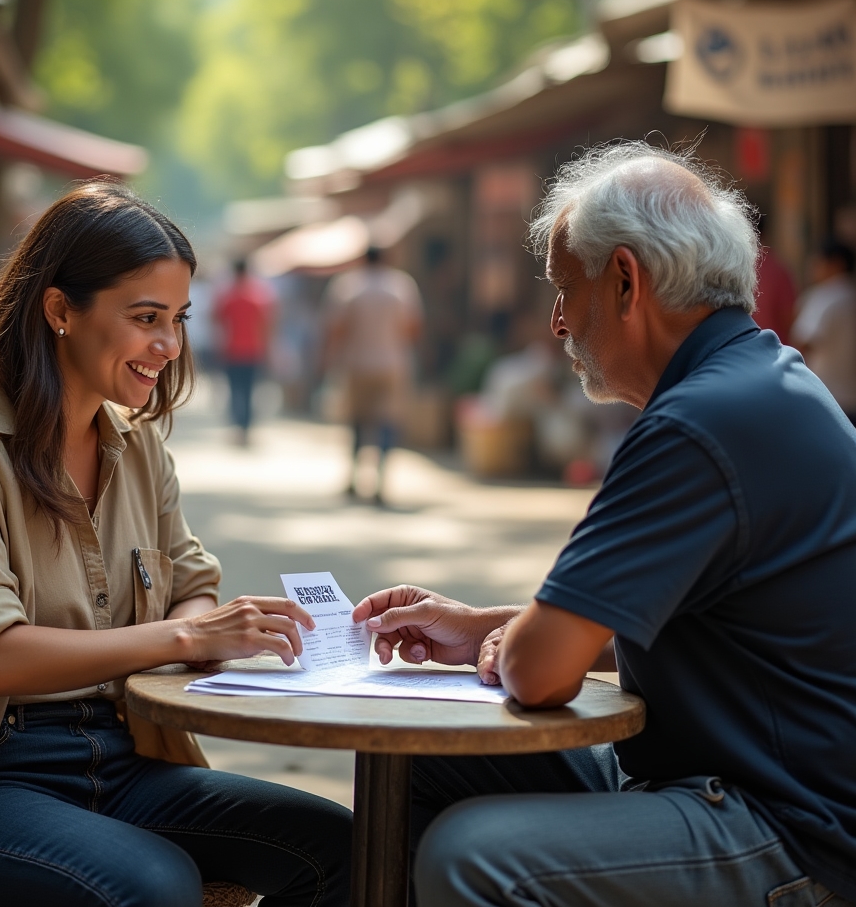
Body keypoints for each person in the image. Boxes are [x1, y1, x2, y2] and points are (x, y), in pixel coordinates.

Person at [351, 143, 856, 907]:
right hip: (723, 780)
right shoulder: (762, 380)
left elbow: (538, 671)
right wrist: (487, 623)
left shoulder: (697, 424)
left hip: (786, 826)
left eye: (564, 288)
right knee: (417, 764)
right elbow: (680, 631)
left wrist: (513, 642)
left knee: (473, 857)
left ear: (625, 280)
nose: (556, 321)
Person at [0, 182, 351, 907]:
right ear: (59, 310)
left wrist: (211, 632)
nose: (168, 346)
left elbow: (189, 581)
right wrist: (184, 632)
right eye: (146, 318)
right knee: (156, 883)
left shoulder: (136, 445)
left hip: (125, 756)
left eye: (177, 319)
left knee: (339, 846)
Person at [323, 246, 422, 504]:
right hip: (392, 364)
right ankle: (380, 481)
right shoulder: (400, 285)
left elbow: (337, 328)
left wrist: (330, 360)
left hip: (357, 362)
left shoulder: (348, 286)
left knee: (357, 422)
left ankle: (355, 478)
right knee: (387, 422)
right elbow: (412, 327)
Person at [792, 238, 856, 425]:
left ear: (836, 264)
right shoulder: (851, 293)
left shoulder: (823, 296)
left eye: (819, 262)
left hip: (828, 395)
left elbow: (802, 342)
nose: (813, 267)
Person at [213, 259, 273, 444]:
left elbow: (217, 322)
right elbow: (266, 325)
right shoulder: (258, 296)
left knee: (234, 390)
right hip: (253, 351)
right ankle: (246, 429)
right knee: (249, 392)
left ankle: (239, 428)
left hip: (231, 350)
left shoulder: (227, 296)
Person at [751, 215, 796, 343]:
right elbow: (789, 318)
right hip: (773, 352)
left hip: (735, 353)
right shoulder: (777, 269)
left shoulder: (726, 268)